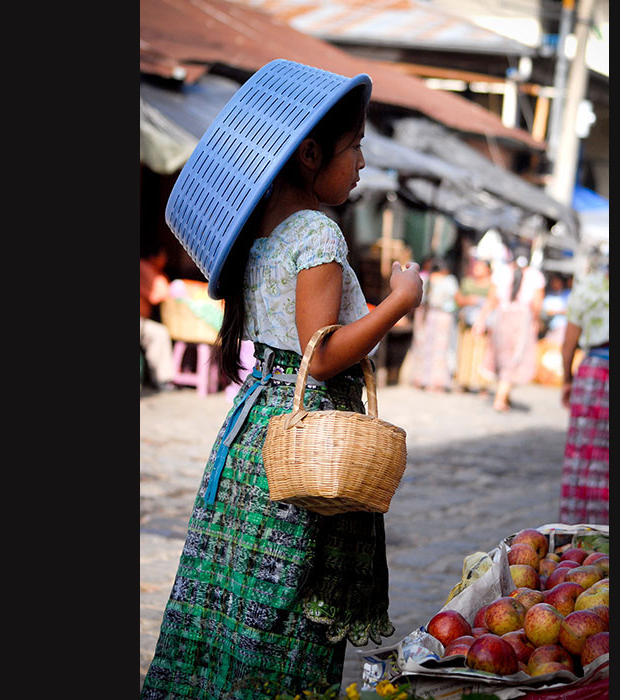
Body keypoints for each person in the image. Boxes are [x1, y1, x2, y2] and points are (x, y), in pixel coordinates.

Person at [141, 62, 423, 700]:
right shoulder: (317, 231)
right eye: (354, 148)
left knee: (231, 600)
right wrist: (399, 301)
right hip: (307, 439)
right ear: (310, 153)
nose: (361, 164)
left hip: (255, 432)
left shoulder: (259, 233)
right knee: (285, 611)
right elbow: (320, 357)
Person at [558, 256, 609, 525]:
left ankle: (578, 528)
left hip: (593, 375)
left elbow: (568, 345)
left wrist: (567, 379)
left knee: (583, 457)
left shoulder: (588, 288)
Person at [473, 247, 545, 412]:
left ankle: (504, 395)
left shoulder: (501, 272)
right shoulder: (535, 276)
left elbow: (491, 300)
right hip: (522, 320)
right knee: (514, 359)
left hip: (501, 317)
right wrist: (536, 322)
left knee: (503, 357)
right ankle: (500, 398)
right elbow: (537, 305)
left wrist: (481, 319)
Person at [409, 257, 459, 391]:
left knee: (423, 348)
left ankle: (420, 378)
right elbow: (457, 299)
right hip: (443, 317)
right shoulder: (449, 281)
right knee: (440, 350)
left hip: (427, 316)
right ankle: (437, 382)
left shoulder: (425, 279)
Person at [454, 255, 492, 393]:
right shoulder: (468, 282)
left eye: (480, 267)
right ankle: (464, 382)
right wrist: (470, 300)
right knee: (465, 351)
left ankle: (483, 385)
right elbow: (458, 298)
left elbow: (495, 301)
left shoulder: (492, 284)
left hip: (485, 323)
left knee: (483, 352)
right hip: (467, 322)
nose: (476, 269)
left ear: (487, 269)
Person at [140, 248, 176, 392]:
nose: (165, 261)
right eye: (163, 256)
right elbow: (162, 293)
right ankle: (163, 380)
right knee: (159, 333)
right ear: (155, 257)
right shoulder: (144, 266)